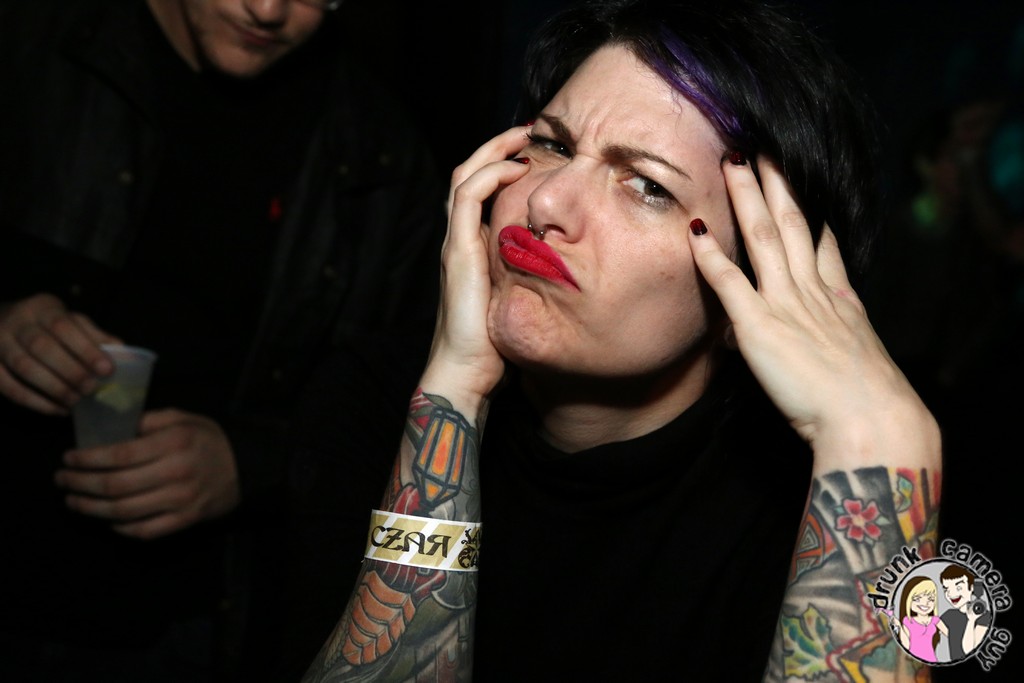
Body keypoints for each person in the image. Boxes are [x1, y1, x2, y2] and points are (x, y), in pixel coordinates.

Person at [300, 0, 942, 681]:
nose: (545, 202)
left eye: (647, 186)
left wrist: (879, 439)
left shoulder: (811, 511)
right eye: (553, 145)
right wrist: (455, 391)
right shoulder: (369, 402)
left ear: (758, 292)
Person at [0, 0, 444, 681]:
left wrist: (252, 462)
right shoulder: (28, 43)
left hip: (197, 626)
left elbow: (403, 413)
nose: (267, 9)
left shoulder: (379, 150)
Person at [939, 566, 992, 662]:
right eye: (946, 589)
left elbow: (969, 651)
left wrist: (971, 620)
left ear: (971, 588)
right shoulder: (949, 615)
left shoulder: (984, 616)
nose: (951, 594)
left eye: (958, 588)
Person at [899, 577, 946, 663]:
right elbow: (906, 645)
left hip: (931, 659)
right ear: (908, 600)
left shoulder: (935, 620)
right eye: (917, 599)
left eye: (931, 599)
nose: (925, 603)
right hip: (913, 661)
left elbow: (951, 634)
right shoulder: (908, 621)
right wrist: (898, 626)